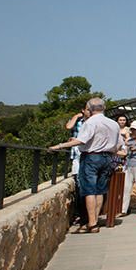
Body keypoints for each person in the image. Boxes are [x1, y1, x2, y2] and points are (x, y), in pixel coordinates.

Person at [50, 98, 121, 233]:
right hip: (108, 158)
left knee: (89, 190)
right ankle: (95, 219)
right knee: (100, 190)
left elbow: (81, 140)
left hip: (91, 157)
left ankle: (92, 223)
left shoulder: (90, 122)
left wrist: (59, 146)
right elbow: (118, 144)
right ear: (104, 107)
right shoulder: (113, 124)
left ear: (89, 108)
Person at [64, 106, 91, 177]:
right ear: (83, 110)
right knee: (77, 173)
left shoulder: (93, 121)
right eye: (88, 109)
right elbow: (68, 126)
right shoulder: (77, 120)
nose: (90, 111)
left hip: (89, 150)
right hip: (77, 150)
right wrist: (76, 116)